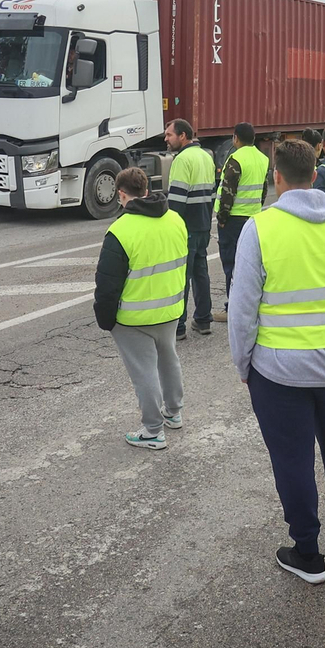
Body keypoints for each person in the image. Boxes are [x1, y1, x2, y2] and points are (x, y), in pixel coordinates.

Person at [230, 139, 325, 585]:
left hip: (278, 372)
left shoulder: (259, 228)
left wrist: (244, 365)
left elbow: (242, 310)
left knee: (292, 458)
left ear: (277, 177)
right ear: (316, 175)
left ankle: (307, 552)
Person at [95, 167, 188, 449]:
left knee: (144, 372)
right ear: (146, 190)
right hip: (171, 309)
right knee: (168, 360)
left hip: (134, 318)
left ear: (122, 195)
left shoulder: (120, 230)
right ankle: (173, 413)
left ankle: (152, 431)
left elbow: (108, 284)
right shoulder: (175, 219)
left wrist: (105, 318)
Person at [164, 118, 216, 338]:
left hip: (186, 227)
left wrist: (170, 227)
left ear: (182, 136)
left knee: (181, 276)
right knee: (200, 272)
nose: (166, 139)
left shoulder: (182, 160)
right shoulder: (207, 157)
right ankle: (203, 320)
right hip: (203, 223)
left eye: (169, 135)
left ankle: (178, 327)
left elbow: (176, 199)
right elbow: (213, 193)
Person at [212, 122, 267, 323]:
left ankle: (232, 309)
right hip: (253, 218)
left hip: (233, 221)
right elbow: (263, 190)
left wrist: (222, 218)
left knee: (231, 266)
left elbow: (228, 191)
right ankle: (252, 306)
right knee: (251, 265)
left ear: (235, 138)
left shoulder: (235, 159)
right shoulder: (263, 159)